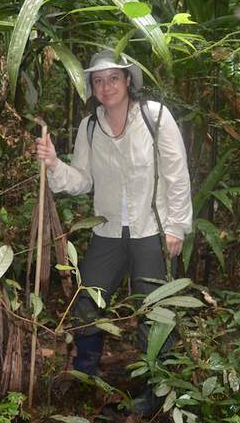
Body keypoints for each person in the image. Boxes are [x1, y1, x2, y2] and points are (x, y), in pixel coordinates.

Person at [35, 49, 193, 415]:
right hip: (107, 230)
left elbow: (176, 174)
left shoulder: (155, 117)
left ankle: (157, 392)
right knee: (87, 304)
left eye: (113, 79)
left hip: (151, 230)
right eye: (98, 80)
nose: (105, 87)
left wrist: (176, 227)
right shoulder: (90, 127)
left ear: (128, 81)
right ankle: (84, 379)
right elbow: (83, 181)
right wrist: (55, 163)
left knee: (153, 311)